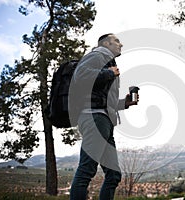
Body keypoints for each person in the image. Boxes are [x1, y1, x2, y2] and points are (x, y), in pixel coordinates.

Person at [70, 33, 138, 200]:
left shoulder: (108, 62)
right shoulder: (97, 55)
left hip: (105, 119)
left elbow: (104, 99)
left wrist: (124, 103)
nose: (120, 44)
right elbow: (80, 77)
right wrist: (109, 73)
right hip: (94, 118)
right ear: (106, 43)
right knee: (87, 170)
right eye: (116, 41)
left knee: (114, 174)